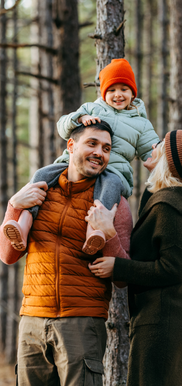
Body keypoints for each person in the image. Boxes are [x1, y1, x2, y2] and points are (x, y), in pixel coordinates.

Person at [0, 121, 133, 385]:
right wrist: (13, 206)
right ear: (71, 146)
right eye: (92, 144)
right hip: (32, 322)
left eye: (106, 148)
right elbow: (8, 256)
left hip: (82, 324)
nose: (100, 153)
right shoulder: (39, 191)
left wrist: (108, 232)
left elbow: (122, 276)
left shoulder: (115, 204)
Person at [88, 130, 182, 386]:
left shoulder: (168, 207)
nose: (152, 146)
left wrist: (119, 267)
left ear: (168, 159)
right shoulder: (165, 199)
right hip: (169, 316)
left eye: (160, 145)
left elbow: (173, 268)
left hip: (165, 320)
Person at [2, 58, 158, 255]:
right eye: (111, 90)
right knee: (42, 174)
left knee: (107, 193)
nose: (118, 95)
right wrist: (79, 118)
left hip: (114, 172)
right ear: (103, 92)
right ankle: (23, 225)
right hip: (69, 164)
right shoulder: (93, 108)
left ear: (133, 93)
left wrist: (157, 156)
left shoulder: (141, 124)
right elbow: (62, 125)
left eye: (124, 89)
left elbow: (151, 148)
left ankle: (95, 233)